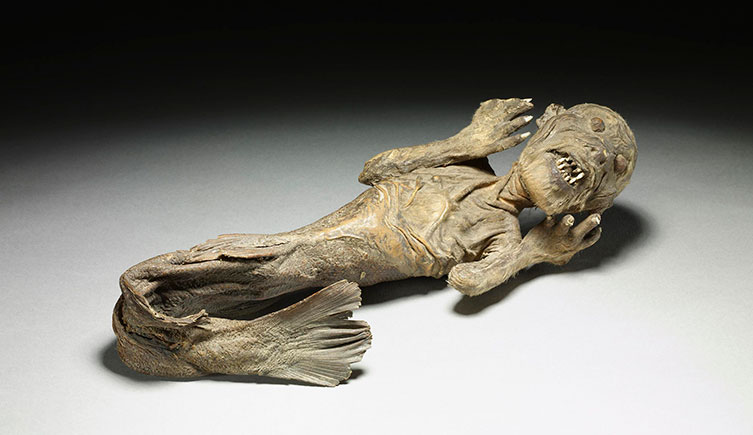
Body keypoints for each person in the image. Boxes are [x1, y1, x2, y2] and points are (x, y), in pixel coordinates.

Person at [112, 98, 637, 386]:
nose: (594, 157)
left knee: (255, 275)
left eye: (607, 168)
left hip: (332, 262)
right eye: (588, 135)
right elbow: (374, 169)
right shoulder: (464, 164)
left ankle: (215, 343)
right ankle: (196, 339)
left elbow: (467, 280)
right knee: (172, 276)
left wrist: (533, 252)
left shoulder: (501, 232)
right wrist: (463, 141)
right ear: (545, 130)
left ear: (585, 205)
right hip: (308, 240)